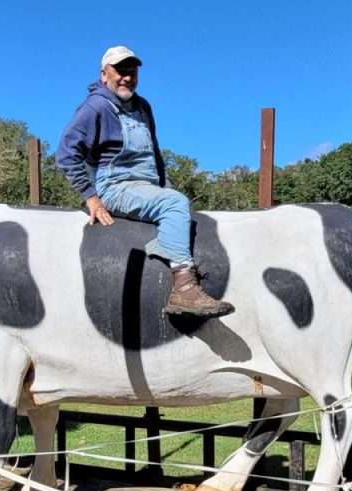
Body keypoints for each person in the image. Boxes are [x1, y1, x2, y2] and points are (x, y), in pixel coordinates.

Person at [56, 46, 234, 318]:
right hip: (115, 185)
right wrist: (90, 196)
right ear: (104, 75)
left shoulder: (142, 106)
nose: (127, 77)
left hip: (146, 184)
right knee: (175, 204)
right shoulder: (96, 107)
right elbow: (67, 152)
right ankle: (184, 289)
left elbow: (154, 153)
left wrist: (162, 186)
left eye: (132, 71)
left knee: (174, 201)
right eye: (120, 71)